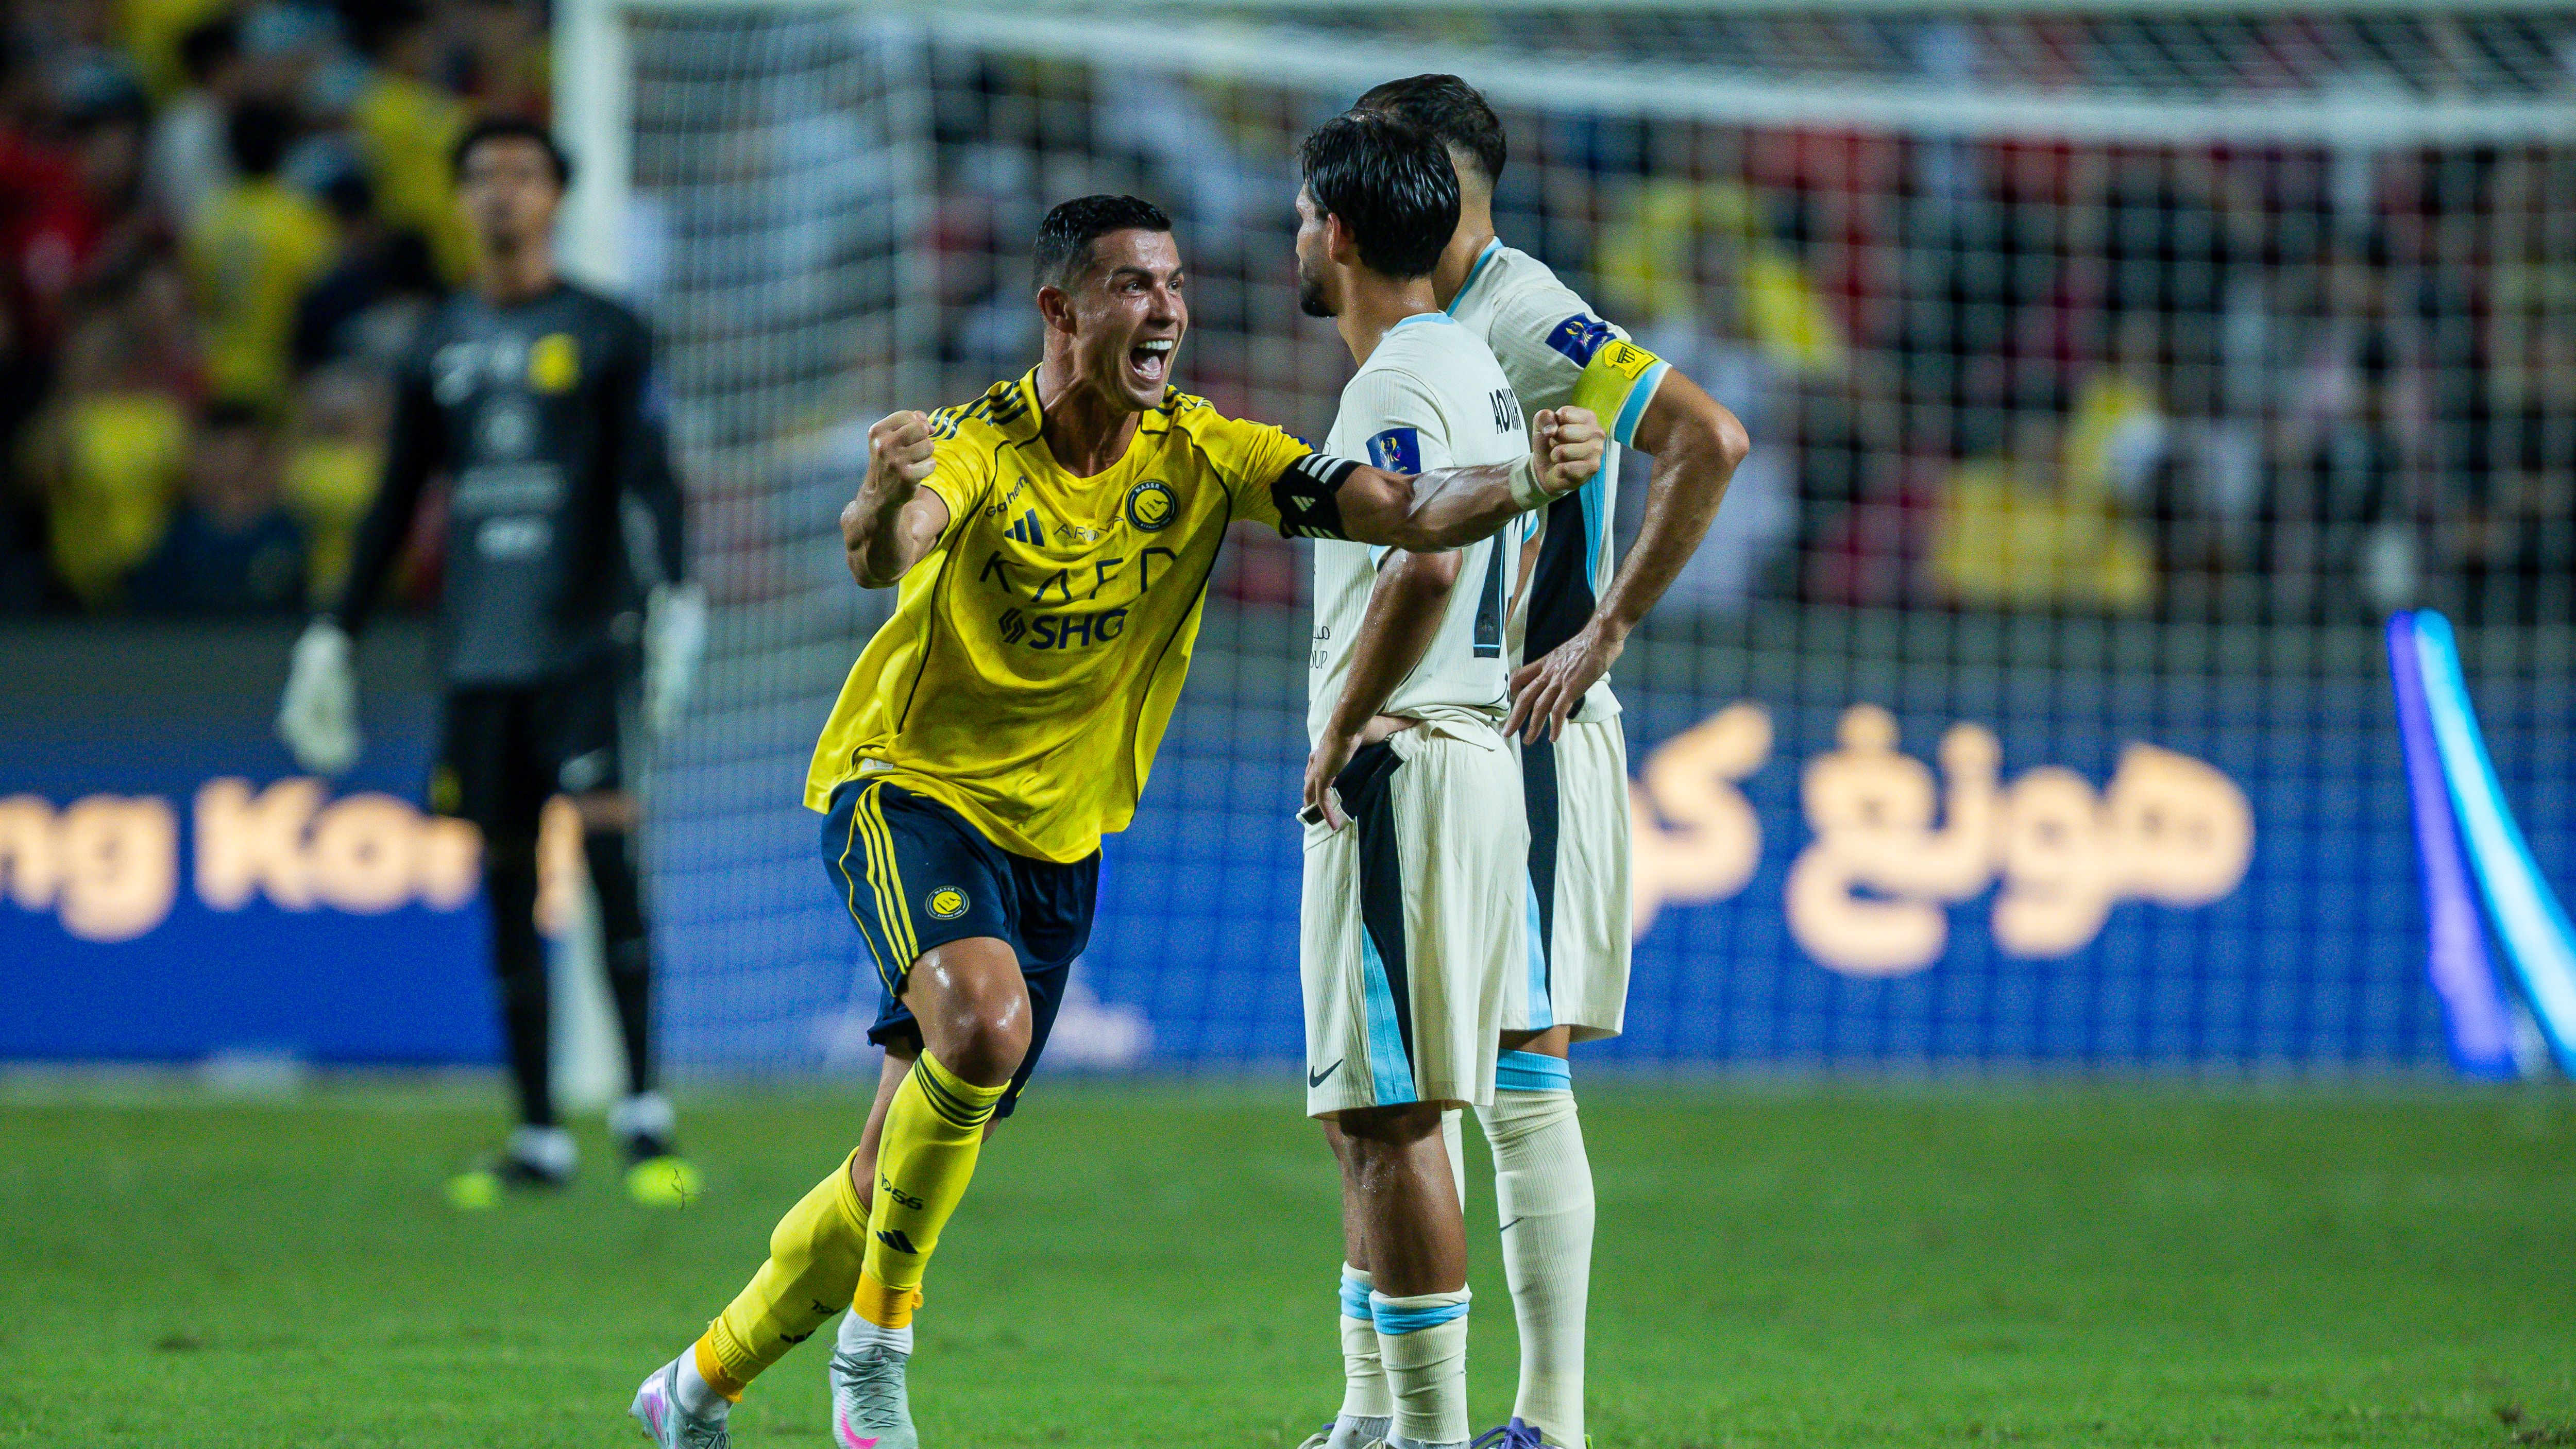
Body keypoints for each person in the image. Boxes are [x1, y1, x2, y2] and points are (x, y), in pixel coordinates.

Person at [624, 192, 1606, 1449]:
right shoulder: (981, 442)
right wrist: (877, 502)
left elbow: (1399, 512)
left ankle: (696, 1384)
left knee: (889, 1167)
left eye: (1177, 286)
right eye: (1137, 286)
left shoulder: (1205, 454)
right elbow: (892, 546)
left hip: (1059, 842)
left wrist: (1526, 473)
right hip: (909, 794)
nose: (1168, 311)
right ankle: (876, 1348)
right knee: (982, 1031)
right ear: (1060, 310)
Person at [1317, 75, 1750, 1449]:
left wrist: (1607, 627)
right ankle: (1375, 1406)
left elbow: (1706, 434)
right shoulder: (1422, 332)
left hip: (1528, 720)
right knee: (1397, 1088)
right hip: (1459, 728)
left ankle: (1547, 1419)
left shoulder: (1525, 310)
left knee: (1512, 1070)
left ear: (1445, 173)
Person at [275, 117, 709, 1208]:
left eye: (521, 175)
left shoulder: (608, 331)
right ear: (461, 200)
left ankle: (644, 1117)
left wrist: (678, 593)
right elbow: (394, 499)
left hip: (583, 638)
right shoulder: (438, 342)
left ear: (557, 195)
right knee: (507, 881)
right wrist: (336, 630)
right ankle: (534, 1134)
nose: (500, 194)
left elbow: (648, 474)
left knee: (609, 854)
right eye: (480, 177)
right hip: (479, 649)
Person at [1290, 108, 1555, 1449]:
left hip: (1406, 759)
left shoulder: (1390, 383)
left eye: (1300, 213)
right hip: (1466, 758)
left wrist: (1340, 728)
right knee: (1366, 1111)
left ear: (1334, 232)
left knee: (1390, 1116)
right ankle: (1371, 1413)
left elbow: (1430, 563)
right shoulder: (1471, 361)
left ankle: (1430, 1434)